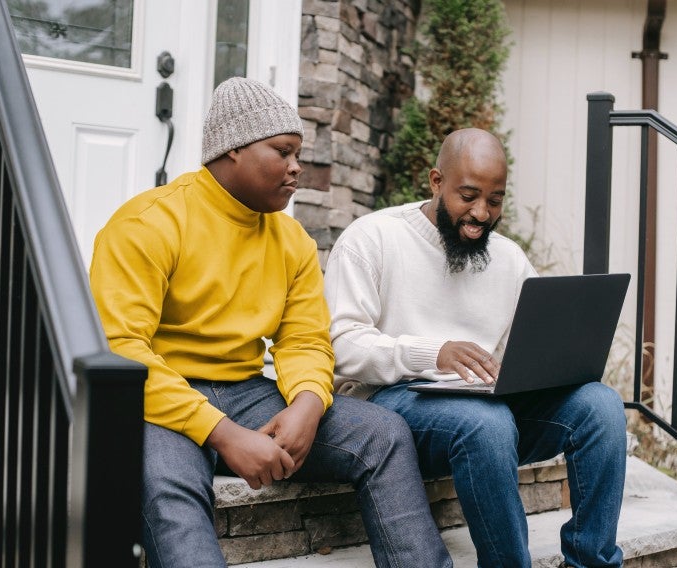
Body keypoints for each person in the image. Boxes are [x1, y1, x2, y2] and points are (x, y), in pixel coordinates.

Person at [89, 76, 452, 568]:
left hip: (246, 389)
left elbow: (304, 339)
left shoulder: (292, 240)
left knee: (383, 433)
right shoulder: (148, 223)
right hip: (162, 397)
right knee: (167, 488)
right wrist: (223, 434)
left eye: (298, 153)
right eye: (283, 151)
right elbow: (122, 349)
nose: (297, 167)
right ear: (232, 149)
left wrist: (307, 402)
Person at [324, 127, 627, 568]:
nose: (481, 213)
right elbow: (341, 345)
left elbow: (532, 345)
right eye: (468, 195)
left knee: (600, 406)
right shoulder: (372, 238)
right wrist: (433, 352)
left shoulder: (508, 258)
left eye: (495, 200)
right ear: (435, 181)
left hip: (482, 405)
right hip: (391, 402)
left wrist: (539, 369)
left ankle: (591, 562)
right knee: (485, 423)